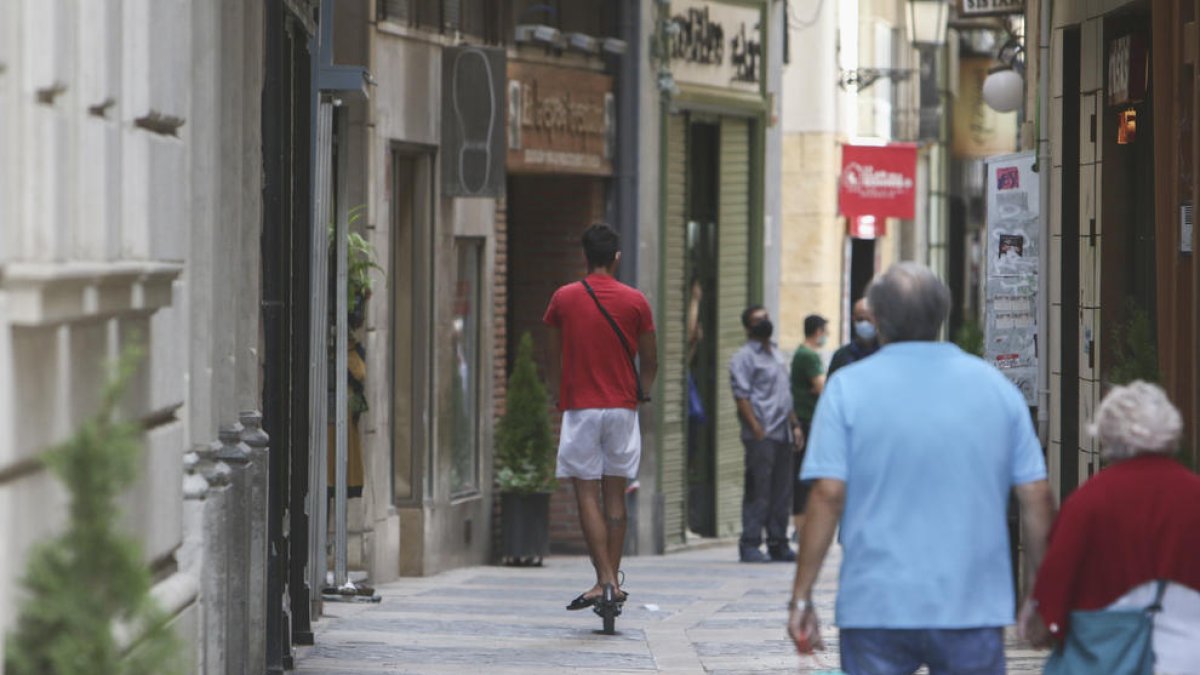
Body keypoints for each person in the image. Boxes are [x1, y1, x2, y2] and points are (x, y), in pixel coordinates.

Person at [787, 262, 1056, 674]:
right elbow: (1036, 494)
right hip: (972, 605)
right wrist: (1039, 594)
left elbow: (828, 494)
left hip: (876, 605)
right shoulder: (995, 388)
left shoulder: (847, 389)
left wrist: (802, 597)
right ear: (942, 315)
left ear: (877, 319)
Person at [1020, 381, 1200, 672]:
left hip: (1108, 659)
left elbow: (1057, 575)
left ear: (1106, 434)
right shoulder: (1194, 494)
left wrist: (1042, 621)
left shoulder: (1089, 501)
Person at [543, 223, 658, 610]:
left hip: (581, 408)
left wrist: (557, 394)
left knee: (585, 494)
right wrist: (643, 391)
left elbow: (552, 356)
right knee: (615, 496)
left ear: (585, 256)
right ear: (617, 258)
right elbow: (651, 360)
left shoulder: (563, 298)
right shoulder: (636, 301)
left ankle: (604, 580)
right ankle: (612, 583)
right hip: (623, 408)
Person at [730, 305, 803, 563]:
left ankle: (778, 542)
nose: (765, 322)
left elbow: (785, 394)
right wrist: (756, 429)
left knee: (782, 492)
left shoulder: (776, 353)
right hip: (761, 434)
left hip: (782, 432)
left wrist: (794, 425)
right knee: (758, 490)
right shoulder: (744, 357)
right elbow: (741, 396)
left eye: (766, 318)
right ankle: (750, 543)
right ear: (748, 327)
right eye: (758, 320)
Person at [788, 314, 828, 538]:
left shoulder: (801, 353)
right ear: (818, 332)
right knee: (806, 476)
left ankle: (802, 526)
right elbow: (822, 387)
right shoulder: (808, 356)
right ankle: (801, 528)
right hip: (807, 421)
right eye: (825, 332)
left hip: (806, 420)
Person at [826, 298, 878, 380]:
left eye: (868, 319)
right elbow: (831, 385)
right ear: (853, 319)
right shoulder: (841, 356)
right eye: (860, 319)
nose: (864, 324)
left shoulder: (886, 353)